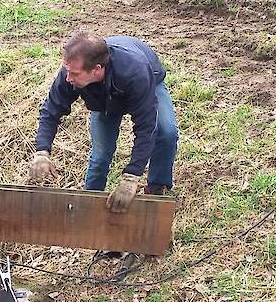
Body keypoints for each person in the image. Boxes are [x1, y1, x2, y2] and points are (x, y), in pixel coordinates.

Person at [29, 31, 179, 213]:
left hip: (148, 83)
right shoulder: (71, 71)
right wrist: (42, 151)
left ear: (97, 69)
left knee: (167, 132)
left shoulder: (135, 71)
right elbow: (51, 110)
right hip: (102, 99)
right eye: (67, 72)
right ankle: (89, 203)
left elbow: (146, 126)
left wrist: (132, 176)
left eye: (74, 74)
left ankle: (156, 189)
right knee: (100, 154)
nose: (68, 78)